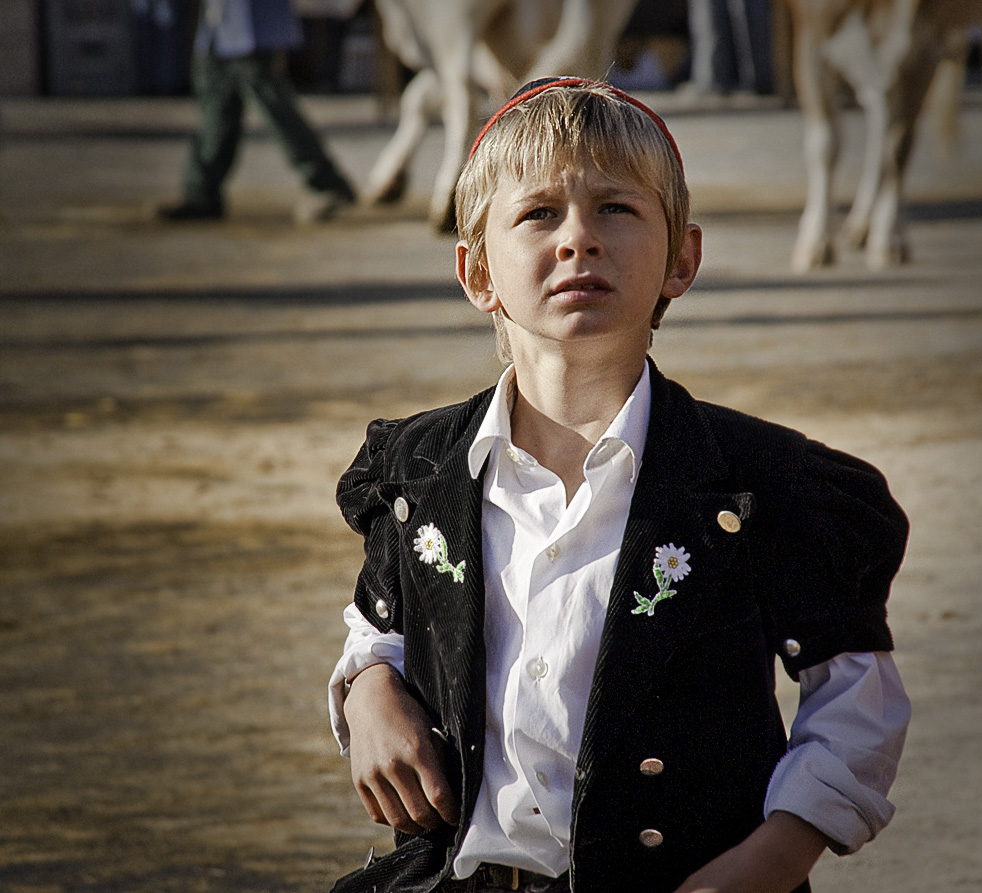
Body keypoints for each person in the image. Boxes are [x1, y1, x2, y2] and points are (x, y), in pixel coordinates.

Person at [327, 77, 910, 893]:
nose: (579, 240)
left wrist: (767, 862)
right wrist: (370, 691)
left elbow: (855, 698)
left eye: (616, 209)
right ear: (476, 271)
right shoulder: (420, 472)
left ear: (683, 259)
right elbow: (380, 621)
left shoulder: (758, 484)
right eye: (538, 213)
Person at [157, 0, 356, 223]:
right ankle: (201, 192)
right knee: (216, 104)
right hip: (217, 23)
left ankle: (327, 182)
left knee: (272, 103)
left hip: (252, 23)